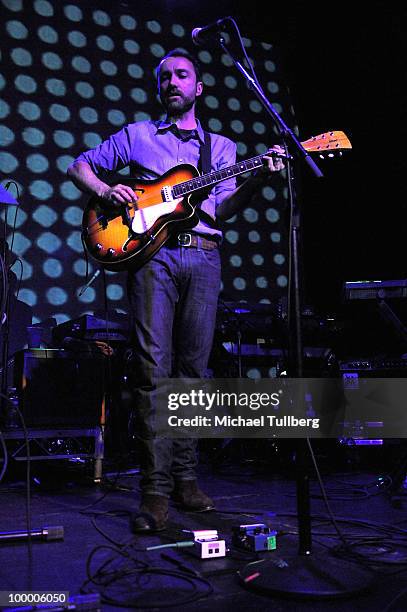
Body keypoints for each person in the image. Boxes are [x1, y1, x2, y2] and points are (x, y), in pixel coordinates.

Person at [67, 48, 284, 532]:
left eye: (181, 74)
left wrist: (257, 182)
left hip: (204, 256)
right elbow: (78, 165)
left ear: (198, 87)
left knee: (194, 373)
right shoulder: (138, 136)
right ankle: (155, 490)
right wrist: (106, 192)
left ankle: (186, 480)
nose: (171, 81)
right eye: (164, 75)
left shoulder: (221, 148)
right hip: (154, 259)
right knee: (153, 371)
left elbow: (223, 211)